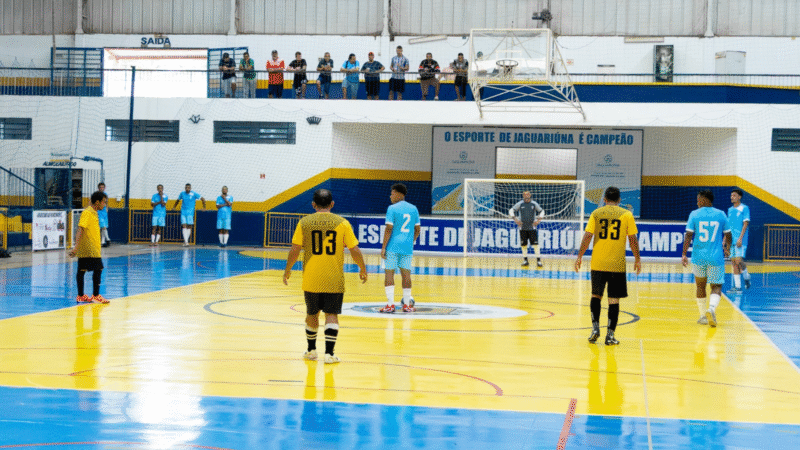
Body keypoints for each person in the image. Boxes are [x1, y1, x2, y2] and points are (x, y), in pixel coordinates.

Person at [283, 189, 368, 364]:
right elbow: (355, 249)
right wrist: (362, 268)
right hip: (333, 278)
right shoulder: (343, 223)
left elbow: (295, 249)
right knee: (332, 314)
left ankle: (311, 350)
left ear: (313, 205)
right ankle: (329, 354)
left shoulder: (304, 222)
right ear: (332, 204)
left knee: (312, 313)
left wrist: (287, 270)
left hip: (311, 278)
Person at [575, 186, 641, 345]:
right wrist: (638, 259)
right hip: (616, 264)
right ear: (619, 200)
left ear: (604, 199)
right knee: (613, 300)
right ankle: (610, 336)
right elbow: (632, 239)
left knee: (595, 296)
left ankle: (595, 328)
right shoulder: (627, 214)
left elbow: (588, 235)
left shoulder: (596, 213)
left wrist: (579, 256)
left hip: (597, 262)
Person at [682, 189, 732, 328]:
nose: (697, 202)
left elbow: (688, 235)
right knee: (716, 286)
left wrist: (684, 254)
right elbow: (728, 234)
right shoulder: (721, 214)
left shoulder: (694, 214)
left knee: (700, 286)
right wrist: (727, 248)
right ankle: (711, 309)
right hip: (716, 258)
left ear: (705, 199)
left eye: (699, 199)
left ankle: (703, 316)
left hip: (699, 257)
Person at [379, 183, 421, 313]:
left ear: (398, 194)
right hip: (407, 248)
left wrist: (383, 247)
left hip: (392, 246)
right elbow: (418, 229)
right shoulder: (413, 208)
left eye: (392, 193)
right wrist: (411, 240)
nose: (390, 196)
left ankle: (390, 305)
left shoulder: (392, 208)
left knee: (389, 273)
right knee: (406, 275)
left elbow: (389, 228)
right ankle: (407, 305)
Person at [68, 190, 110, 304]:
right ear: (97, 202)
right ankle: (96, 295)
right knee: (98, 268)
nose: (104, 204)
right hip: (89, 249)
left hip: (88, 248)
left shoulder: (94, 212)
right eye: (104, 202)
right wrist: (76, 247)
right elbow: (80, 229)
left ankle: (81, 296)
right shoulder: (87, 212)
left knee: (81, 270)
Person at [509, 191, 545, 267]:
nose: (526, 196)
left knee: (536, 245)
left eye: (527, 195)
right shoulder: (520, 204)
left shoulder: (534, 204)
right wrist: (515, 219)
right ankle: (525, 260)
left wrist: (539, 220)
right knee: (524, 245)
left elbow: (542, 211)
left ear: (530, 195)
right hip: (522, 228)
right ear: (523, 196)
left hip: (532, 228)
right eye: (524, 195)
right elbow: (511, 210)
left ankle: (538, 261)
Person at [727, 188, 751, 293]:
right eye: (731, 195)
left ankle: (746, 276)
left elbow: (746, 224)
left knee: (738, 261)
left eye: (734, 195)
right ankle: (737, 287)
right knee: (733, 263)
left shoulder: (744, 208)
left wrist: (740, 238)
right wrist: (725, 239)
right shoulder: (730, 210)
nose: (732, 197)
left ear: (739, 197)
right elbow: (728, 226)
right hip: (731, 240)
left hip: (741, 240)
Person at [97, 182, 111, 247]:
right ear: (98, 188)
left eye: (102, 187)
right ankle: (108, 239)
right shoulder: (97, 195)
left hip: (104, 212)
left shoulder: (105, 194)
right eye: (100, 187)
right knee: (103, 226)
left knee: (104, 227)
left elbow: (107, 202)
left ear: (104, 188)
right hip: (99, 212)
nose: (101, 188)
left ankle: (102, 242)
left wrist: (107, 208)